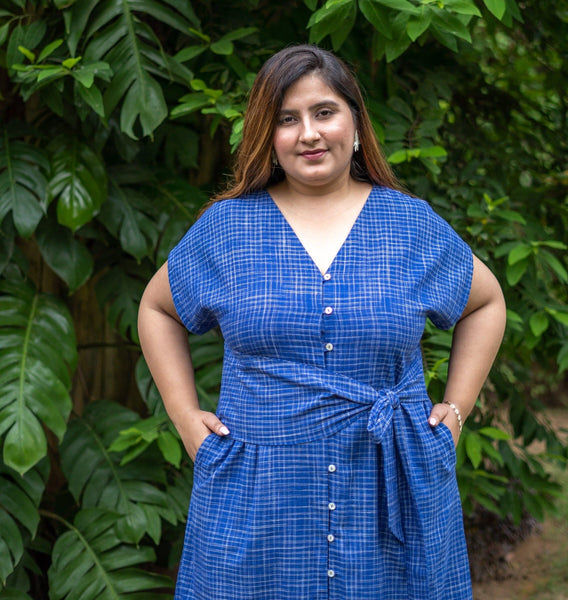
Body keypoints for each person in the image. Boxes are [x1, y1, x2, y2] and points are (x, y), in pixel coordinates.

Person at [138, 44, 506, 600]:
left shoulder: (409, 225)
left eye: (324, 112)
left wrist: (455, 412)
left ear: (354, 123)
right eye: (287, 119)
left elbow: (485, 303)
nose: (308, 133)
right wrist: (186, 417)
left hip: (392, 485)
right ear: (269, 136)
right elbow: (157, 308)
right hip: (257, 493)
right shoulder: (228, 229)